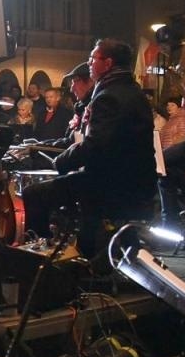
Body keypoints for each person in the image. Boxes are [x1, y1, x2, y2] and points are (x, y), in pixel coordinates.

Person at [21, 39, 156, 254]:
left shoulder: (109, 97)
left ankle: (40, 255)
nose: (89, 62)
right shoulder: (130, 90)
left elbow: (95, 145)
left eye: (93, 58)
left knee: (34, 194)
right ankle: (84, 250)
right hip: (133, 181)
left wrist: (62, 161)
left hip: (114, 184)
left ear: (108, 63)